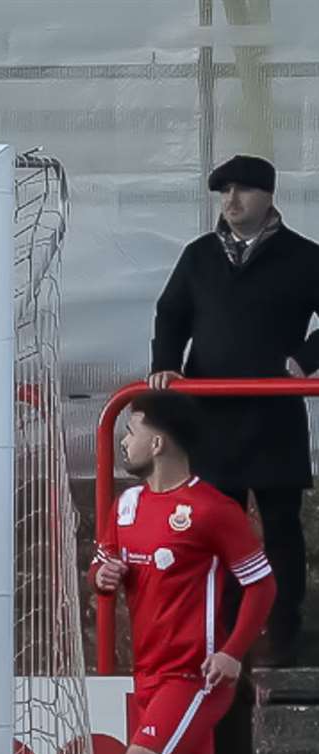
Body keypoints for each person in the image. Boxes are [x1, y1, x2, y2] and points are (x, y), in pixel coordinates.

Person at [77, 390, 300, 754]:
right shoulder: (125, 506)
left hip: (195, 677)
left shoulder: (213, 510)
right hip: (149, 675)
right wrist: (102, 580)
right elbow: (107, 569)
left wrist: (231, 652)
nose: (124, 441)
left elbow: (261, 584)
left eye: (132, 431)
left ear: (158, 441)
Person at [150, 153, 319, 668]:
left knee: (282, 527)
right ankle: (219, 637)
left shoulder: (304, 257)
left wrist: (305, 360)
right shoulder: (199, 256)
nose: (232, 201)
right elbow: (171, 312)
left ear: (269, 195)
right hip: (212, 420)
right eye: (224, 192)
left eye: (243, 191)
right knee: (214, 529)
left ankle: (285, 632)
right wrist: (165, 365)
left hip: (274, 417)